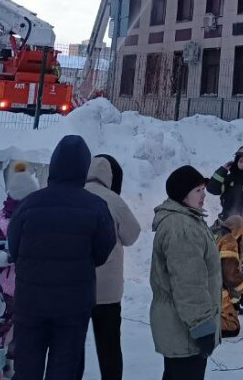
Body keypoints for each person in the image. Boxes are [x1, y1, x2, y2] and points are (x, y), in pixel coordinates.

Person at [8, 135, 116, 380]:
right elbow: (102, 253)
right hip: (73, 305)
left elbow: (14, 249)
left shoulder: (29, 204)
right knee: (65, 367)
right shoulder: (96, 207)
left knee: (26, 367)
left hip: (30, 302)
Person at [150, 165, 221, 380]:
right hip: (186, 330)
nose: (203, 195)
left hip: (179, 327)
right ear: (183, 195)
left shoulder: (185, 220)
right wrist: (202, 326)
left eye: (203, 189)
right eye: (198, 190)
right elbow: (189, 284)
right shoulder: (182, 228)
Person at [78, 154, 141, 380]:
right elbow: (132, 234)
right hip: (108, 291)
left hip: (77, 287)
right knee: (109, 347)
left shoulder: (75, 194)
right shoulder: (113, 200)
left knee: (74, 346)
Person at [0, 161, 41, 380]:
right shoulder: (2, 223)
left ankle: (12, 373)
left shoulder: (36, 220)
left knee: (22, 340)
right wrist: (8, 256)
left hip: (27, 291)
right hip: (2, 294)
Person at [214, 215, 243, 338]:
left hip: (199, 283)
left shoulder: (212, 231)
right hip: (212, 288)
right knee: (233, 327)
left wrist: (236, 296)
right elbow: (231, 276)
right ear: (235, 229)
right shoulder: (228, 239)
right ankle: (201, 327)